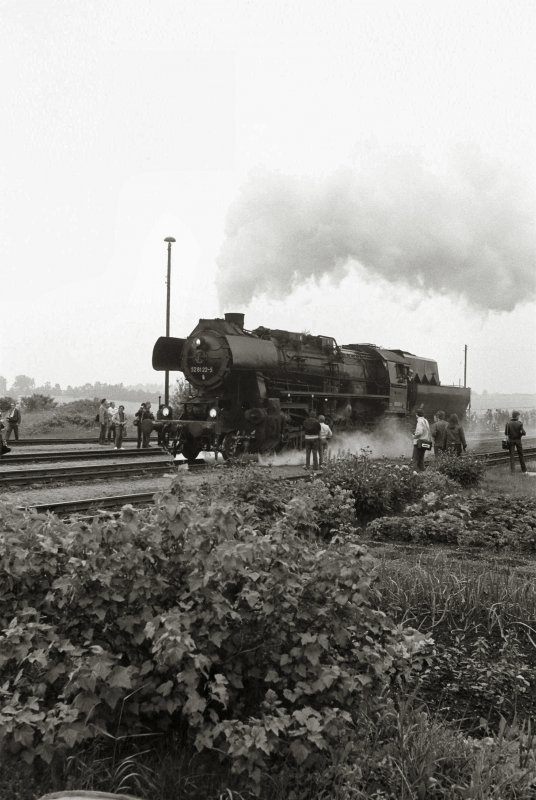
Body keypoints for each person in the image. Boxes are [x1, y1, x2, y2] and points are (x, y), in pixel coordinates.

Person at [505, 410, 527, 475]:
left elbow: (506, 433)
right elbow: (524, 433)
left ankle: (513, 472)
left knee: (512, 456)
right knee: (521, 456)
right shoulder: (520, 423)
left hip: (511, 441)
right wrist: (520, 434)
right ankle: (524, 470)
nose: (519, 417)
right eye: (518, 416)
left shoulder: (508, 423)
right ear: (517, 416)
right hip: (518, 441)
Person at [412, 407, 432, 472]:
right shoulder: (426, 421)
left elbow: (419, 432)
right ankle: (423, 473)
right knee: (421, 459)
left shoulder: (419, 421)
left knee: (415, 459)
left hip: (419, 443)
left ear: (417, 414)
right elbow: (428, 431)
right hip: (424, 442)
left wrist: (414, 436)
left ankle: (415, 473)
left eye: (416, 414)